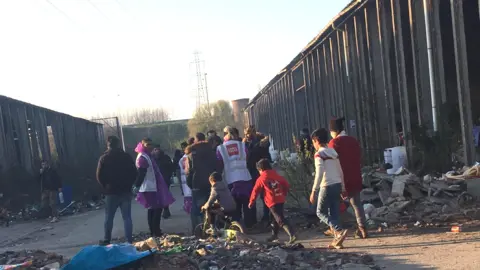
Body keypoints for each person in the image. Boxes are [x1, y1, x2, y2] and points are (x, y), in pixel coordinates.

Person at [329, 117, 368, 239]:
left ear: (334, 131)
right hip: (355, 177)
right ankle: (363, 229)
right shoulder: (353, 141)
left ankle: (336, 230)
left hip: (340, 181)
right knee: (357, 204)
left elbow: (331, 163)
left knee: (333, 204)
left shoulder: (334, 143)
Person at [309, 128, 348, 249]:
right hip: (336, 184)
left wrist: (314, 190)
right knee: (334, 213)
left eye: (313, 142)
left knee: (320, 212)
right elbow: (340, 170)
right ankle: (337, 241)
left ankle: (338, 230)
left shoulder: (319, 154)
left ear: (316, 140)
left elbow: (319, 172)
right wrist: (342, 187)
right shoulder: (333, 153)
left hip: (326, 186)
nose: (313, 145)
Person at [96, 136, 137, 245]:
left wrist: (105, 186)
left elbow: (99, 175)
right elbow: (134, 172)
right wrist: (130, 184)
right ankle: (129, 240)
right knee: (127, 217)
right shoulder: (126, 157)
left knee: (109, 217)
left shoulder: (104, 158)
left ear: (108, 145)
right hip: (125, 191)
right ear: (118, 144)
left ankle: (107, 239)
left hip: (111, 192)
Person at [133, 138, 175, 237]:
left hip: (152, 185)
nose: (150, 146)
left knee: (153, 209)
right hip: (149, 186)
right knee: (156, 209)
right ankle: (155, 231)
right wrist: (137, 185)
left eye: (151, 144)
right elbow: (141, 173)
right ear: (143, 145)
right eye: (148, 145)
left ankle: (154, 230)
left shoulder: (147, 155)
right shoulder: (143, 157)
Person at [248, 159, 296, 244]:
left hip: (272, 202)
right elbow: (286, 184)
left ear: (261, 169)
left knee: (279, 219)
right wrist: (283, 193)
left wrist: (251, 202)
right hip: (280, 199)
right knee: (273, 218)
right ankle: (274, 235)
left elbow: (255, 191)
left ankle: (292, 234)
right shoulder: (276, 174)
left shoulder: (261, 178)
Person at [217, 127, 254, 228]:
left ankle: (237, 226)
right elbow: (248, 157)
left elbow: (219, 163)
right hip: (245, 178)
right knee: (247, 204)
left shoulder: (220, 148)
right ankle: (249, 225)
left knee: (234, 206)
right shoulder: (242, 145)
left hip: (230, 180)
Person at [185, 133, 218, 234]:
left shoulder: (191, 154)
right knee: (211, 206)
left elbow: (188, 172)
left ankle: (198, 231)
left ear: (195, 141)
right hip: (211, 183)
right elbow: (217, 167)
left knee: (196, 209)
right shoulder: (212, 152)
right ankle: (213, 229)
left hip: (197, 184)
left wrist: (191, 184)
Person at [244, 125, 271, 224]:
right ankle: (263, 218)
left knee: (263, 195)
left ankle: (265, 217)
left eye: (249, 133)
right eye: (246, 133)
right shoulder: (248, 143)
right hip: (254, 171)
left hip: (259, 171)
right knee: (259, 195)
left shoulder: (259, 143)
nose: (247, 135)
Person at [152, 145, 174, 219]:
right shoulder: (155, 158)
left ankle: (165, 210)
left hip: (163, 179)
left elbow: (171, 167)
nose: (157, 151)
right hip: (161, 179)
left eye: (157, 149)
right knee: (163, 195)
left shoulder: (156, 158)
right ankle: (165, 210)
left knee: (162, 195)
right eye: (155, 149)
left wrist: (168, 176)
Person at [178, 143, 192, 214]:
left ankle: (187, 208)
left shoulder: (181, 159)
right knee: (191, 194)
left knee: (187, 194)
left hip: (184, 179)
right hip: (190, 178)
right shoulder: (190, 157)